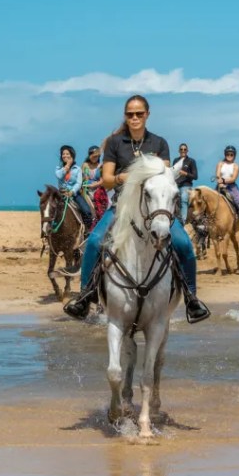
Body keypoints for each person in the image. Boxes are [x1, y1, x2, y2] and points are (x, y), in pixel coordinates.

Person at [62, 95, 211, 324]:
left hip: (154, 207)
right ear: (125, 116)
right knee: (94, 242)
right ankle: (85, 297)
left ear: (147, 115)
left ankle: (192, 298)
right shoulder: (115, 143)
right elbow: (109, 180)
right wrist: (129, 176)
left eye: (139, 114)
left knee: (185, 246)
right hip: (122, 207)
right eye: (130, 114)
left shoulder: (159, 143)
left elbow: (165, 176)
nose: (134, 118)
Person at [55, 144, 95, 228]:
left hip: (74, 194)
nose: (65, 156)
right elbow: (59, 176)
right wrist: (67, 166)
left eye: (67, 154)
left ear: (72, 155)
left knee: (87, 211)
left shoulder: (77, 169)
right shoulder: (59, 168)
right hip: (61, 193)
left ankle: (87, 231)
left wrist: (72, 191)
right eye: (63, 154)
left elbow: (78, 183)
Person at [215, 146, 239, 230]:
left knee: (238, 200)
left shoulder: (236, 166)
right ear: (225, 154)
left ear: (234, 155)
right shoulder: (220, 164)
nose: (229, 155)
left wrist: (223, 181)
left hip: (231, 186)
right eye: (228, 154)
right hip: (220, 185)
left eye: (231, 154)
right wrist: (219, 181)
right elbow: (217, 175)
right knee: (210, 199)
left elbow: (233, 178)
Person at [82, 145, 108, 226]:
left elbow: (102, 180)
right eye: (93, 156)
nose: (95, 158)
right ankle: (91, 220)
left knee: (100, 200)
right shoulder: (85, 165)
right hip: (87, 188)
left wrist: (94, 185)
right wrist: (87, 184)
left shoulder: (100, 166)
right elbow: (84, 179)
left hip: (97, 188)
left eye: (97, 156)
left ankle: (101, 219)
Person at [172, 143, 197, 224]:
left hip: (186, 185)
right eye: (181, 149)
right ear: (179, 151)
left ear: (187, 151)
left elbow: (195, 176)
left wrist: (185, 173)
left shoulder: (191, 161)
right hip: (176, 185)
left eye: (185, 149)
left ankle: (183, 221)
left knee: (183, 198)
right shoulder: (176, 160)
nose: (183, 151)